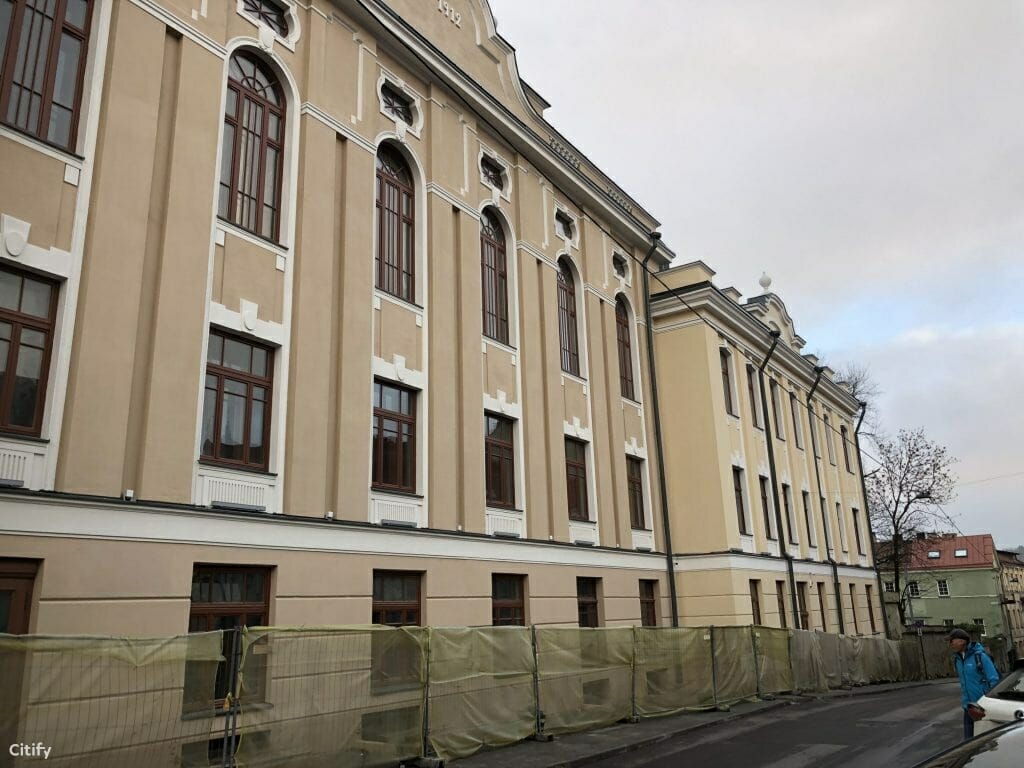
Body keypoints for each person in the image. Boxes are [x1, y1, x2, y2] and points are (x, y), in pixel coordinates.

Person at [948, 628, 999, 740]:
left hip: (982, 707)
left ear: (962, 641)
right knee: (969, 742)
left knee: (985, 740)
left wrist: (989, 702)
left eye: (952, 640)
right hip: (968, 707)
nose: (950, 643)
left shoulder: (980, 656)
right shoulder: (957, 659)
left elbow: (994, 679)